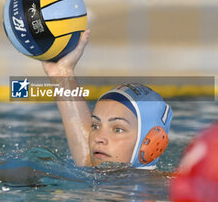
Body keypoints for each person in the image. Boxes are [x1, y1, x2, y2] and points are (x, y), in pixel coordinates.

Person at [42, 29, 173, 169]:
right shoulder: (94, 174)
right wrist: (61, 72)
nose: (98, 138)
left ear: (152, 143)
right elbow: (83, 155)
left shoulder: (166, 189)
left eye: (118, 129)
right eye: (95, 126)